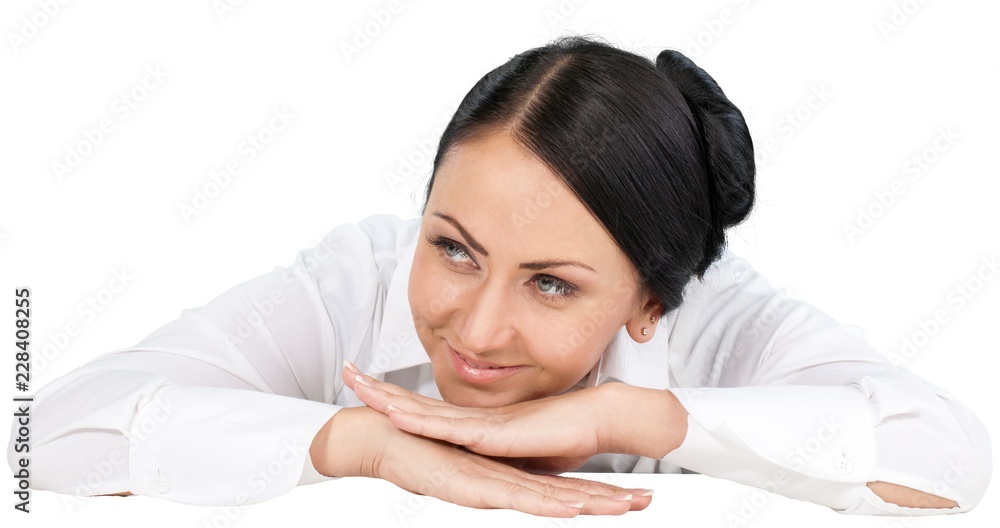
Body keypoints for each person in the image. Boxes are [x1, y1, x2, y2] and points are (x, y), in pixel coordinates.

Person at [8, 36, 991, 518]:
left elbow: (945, 463)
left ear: (651, 296)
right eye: (454, 248)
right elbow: (36, 436)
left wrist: (619, 422)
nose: (475, 330)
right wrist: (360, 447)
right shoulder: (360, 275)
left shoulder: (719, 314)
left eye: (552, 285)